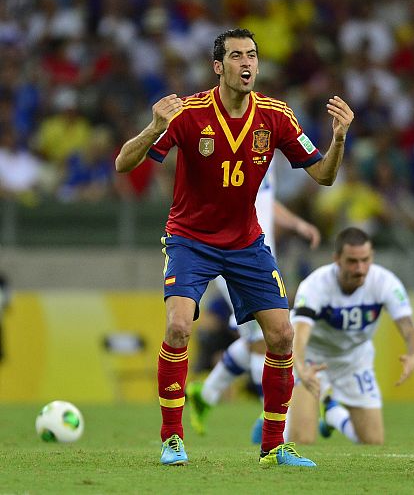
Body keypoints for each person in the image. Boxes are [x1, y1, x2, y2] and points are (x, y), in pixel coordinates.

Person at [115, 28, 354, 468]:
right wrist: (153, 127)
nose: (247, 63)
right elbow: (123, 163)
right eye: (237, 56)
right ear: (218, 66)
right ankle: (172, 439)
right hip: (190, 240)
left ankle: (274, 446)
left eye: (252, 56)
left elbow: (323, 175)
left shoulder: (276, 116)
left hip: (246, 242)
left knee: (282, 336)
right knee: (178, 327)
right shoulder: (188, 114)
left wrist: (338, 140)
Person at [186, 168, 321, 443]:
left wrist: (296, 224)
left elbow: (264, 198)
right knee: (265, 337)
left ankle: (206, 393)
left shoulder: (265, 155)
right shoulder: (232, 149)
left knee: (255, 339)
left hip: (259, 256)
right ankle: (273, 427)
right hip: (231, 254)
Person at [286, 227, 414, 445]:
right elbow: (300, 334)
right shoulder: (315, 285)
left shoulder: (386, 283)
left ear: (372, 256)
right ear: (337, 259)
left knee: (373, 441)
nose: (360, 268)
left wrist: (413, 354)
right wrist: (300, 366)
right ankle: (276, 420)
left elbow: (409, 329)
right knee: (302, 439)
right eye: (352, 261)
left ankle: (331, 413)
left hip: (355, 359)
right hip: (312, 357)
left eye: (365, 260)